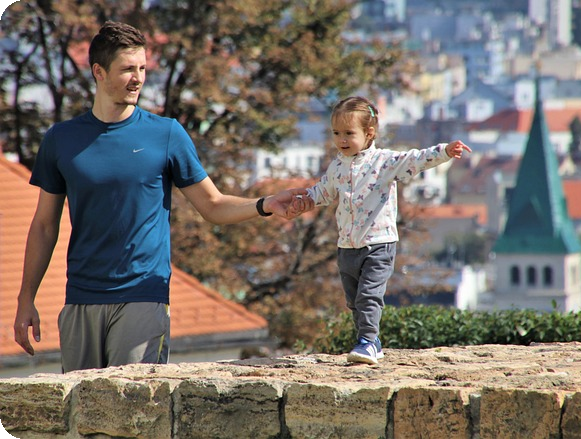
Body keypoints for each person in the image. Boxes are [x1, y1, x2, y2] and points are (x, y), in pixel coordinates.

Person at [13, 21, 312, 373]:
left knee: (131, 402)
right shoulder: (61, 139)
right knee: (79, 406)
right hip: (80, 297)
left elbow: (212, 205)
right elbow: (44, 226)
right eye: (128, 69)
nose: (138, 78)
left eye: (142, 68)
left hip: (143, 296)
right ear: (99, 72)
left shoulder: (166, 134)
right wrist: (26, 298)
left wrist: (265, 204)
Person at [293, 96, 472, 365]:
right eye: (336, 133)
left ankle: (367, 341)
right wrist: (305, 200)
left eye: (348, 133)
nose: (341, 140)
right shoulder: (337, 165)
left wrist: (445, 151)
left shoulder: (384, 162)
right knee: (354, 301)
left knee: (369, 296)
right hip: (347, 246)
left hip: (379, 244)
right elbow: (323, 191)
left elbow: (416, 159)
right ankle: (370, 341)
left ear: (369, 133)